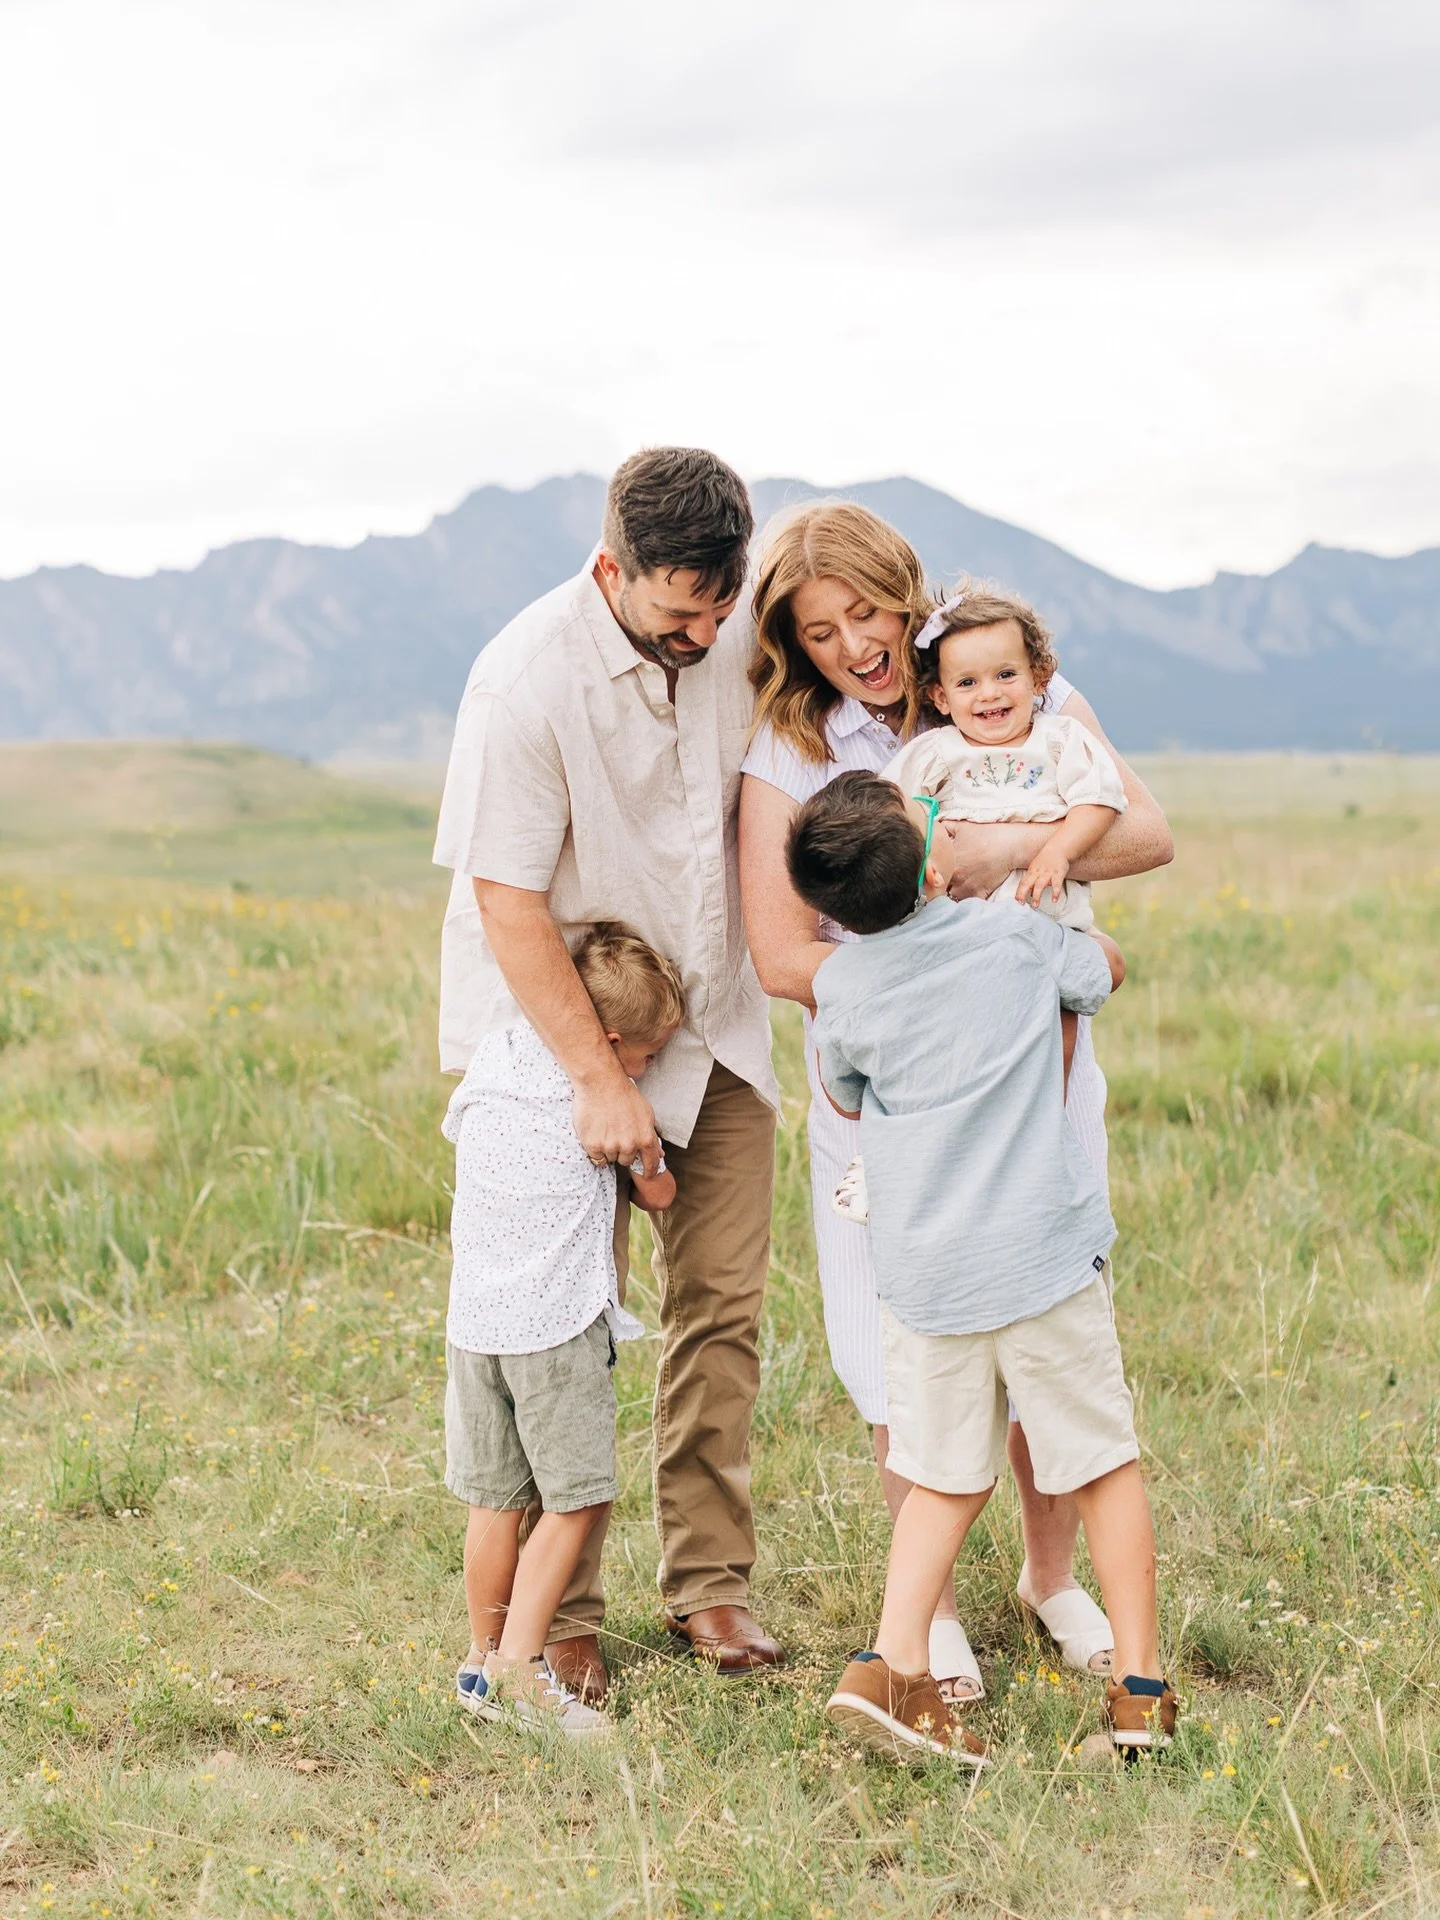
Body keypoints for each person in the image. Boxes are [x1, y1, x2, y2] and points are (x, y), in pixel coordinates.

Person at [737, 502, 1174, 1702]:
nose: (853, 648)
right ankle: (921, 1620)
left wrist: (1000, 859)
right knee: (899, 1348)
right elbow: (783, 956)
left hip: (1034, 1080)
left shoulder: (999, 686)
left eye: (868, 615)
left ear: (908, 598)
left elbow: (1145, 831)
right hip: (890, 1093)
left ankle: (1050, 1579)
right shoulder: (791, 746)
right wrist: (928, 999)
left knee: (1045, 1324)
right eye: (818, 632)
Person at [434, 448, 783, 1705]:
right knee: (565, 1325)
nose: (703, 629)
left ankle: (710, 1589)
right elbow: (507, 899)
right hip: (567, 1051)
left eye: (719, 602)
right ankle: (559, 1625)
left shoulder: (742, 627)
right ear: (609, 570)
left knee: (722, 1311)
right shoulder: (523, 681)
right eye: (677, 608)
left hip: (722, 1023)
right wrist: (600, 1081)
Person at [786, 772, 1175, 1763]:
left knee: (939, 1476)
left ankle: (890, 1665)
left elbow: (842, 1094)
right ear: (932, 860)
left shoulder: (841, 986)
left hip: (927, 1276)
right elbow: (1106, 970)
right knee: (1101, 1464)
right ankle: (1138, 1698)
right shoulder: (1011, 939)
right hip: (1040, 1259)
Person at [448, 925, 682, 1738]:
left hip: (476, 1323)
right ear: (611, 1044)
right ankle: (520, 1672)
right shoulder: (605, 1105)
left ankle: (480, 1662)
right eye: (650, 1054)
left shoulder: (497, 1060)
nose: (649, 1068)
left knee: (494, 1502)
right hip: (555, 1325)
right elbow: (657, 1197)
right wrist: (648, 1155)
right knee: (578, 1501)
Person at [834, 580, 1127, 1227]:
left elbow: (1101, 800)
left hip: (1043, 922)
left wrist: (1055, 851)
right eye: (966, 684)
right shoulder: (937, 751)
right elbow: (893, 811)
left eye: (1005, 675)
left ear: (1039, 677)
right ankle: (890, 1159)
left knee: (1059, 1028)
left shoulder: (1059, 741)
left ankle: (1038, 1142)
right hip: (961, 934)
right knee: (944, 1047)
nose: (989, 694)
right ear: (939, 696)